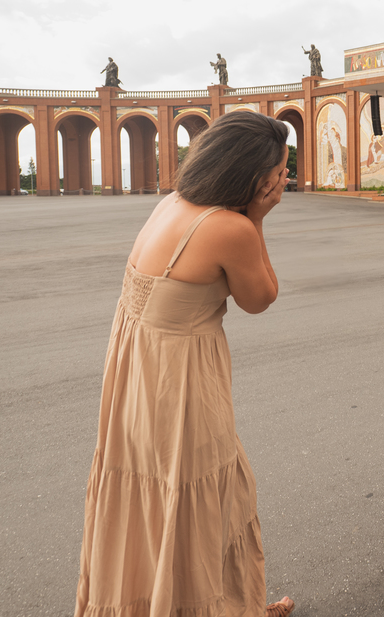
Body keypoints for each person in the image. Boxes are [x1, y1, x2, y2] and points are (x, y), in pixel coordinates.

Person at [74, 110, 296, 617]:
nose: (285, 178)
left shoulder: (171, 203)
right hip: (179, 383)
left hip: (137, 373)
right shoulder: (229, 227)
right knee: (203, 499)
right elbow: (261, 298)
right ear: (257, 178)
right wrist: (257, 218)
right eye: (282, 169)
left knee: (146, 499)